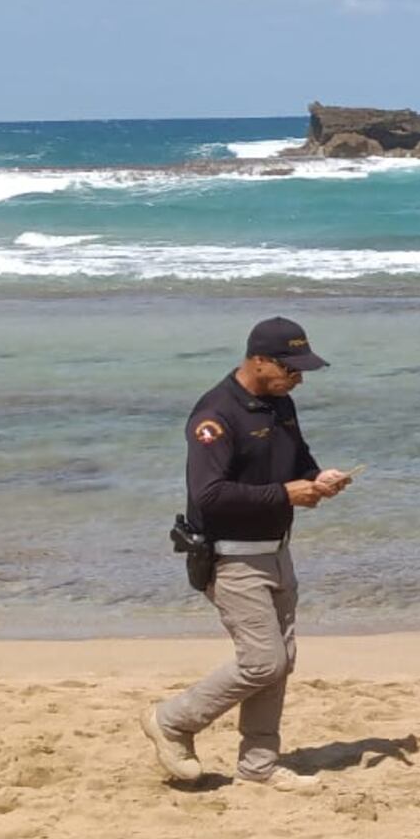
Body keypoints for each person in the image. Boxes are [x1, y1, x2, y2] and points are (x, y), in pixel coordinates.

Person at [142, 316, 352, 789]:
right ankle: (172, 721)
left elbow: (298, 462)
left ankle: (258, 765)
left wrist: (320, 480)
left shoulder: (282, 406)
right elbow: (209, 494)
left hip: (278, 552)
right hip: (231, 558)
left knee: (281, 661)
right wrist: (284, 495)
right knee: (262, 661)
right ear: (259, 361)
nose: (298, 378)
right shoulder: (215, 416)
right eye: (291, 369)